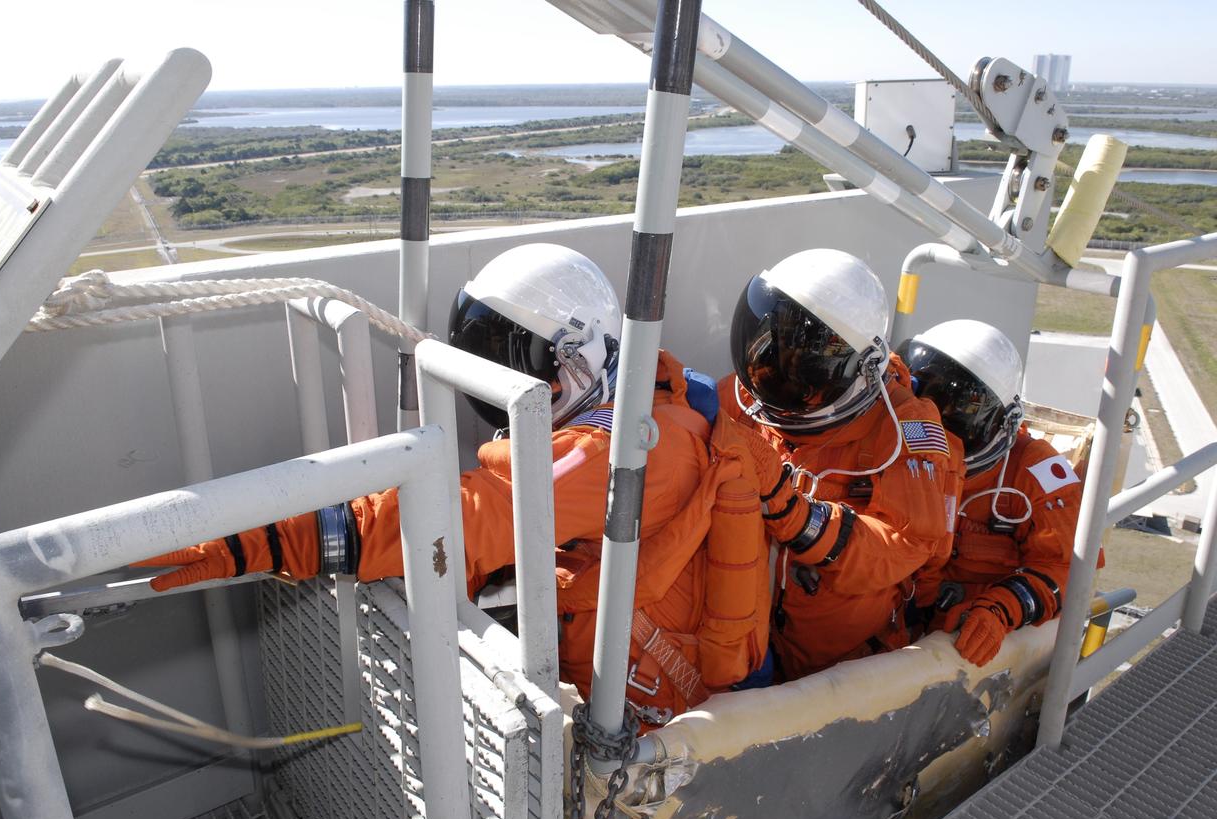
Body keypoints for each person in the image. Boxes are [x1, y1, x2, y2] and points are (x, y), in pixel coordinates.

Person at [136, 243, 772, 725]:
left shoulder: (626, 455)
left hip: (678, 703)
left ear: (576, 354)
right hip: (651, 666)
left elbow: (464, 515)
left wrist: (266, 542)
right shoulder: (651, 397)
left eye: (511, 360)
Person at [720, 248, 964, 680]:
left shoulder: (904, 425)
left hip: (839, 663)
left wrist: (795, 515)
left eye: (807, 356)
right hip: (747, 640)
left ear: (859, 368)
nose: (780, 366)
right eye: (778, 344)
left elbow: (906, 542)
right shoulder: (748, 391)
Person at [900, 319, 1082, 667]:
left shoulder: (1034, 474)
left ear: (1001, 422)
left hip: (967, 645)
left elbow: (1068, 569)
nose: (934, 428)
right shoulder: (893, 456)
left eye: (956, 411)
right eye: (925, 403)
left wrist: (1003, 608)